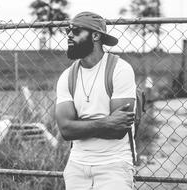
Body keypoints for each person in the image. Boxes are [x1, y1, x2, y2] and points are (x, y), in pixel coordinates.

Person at [55, 12, 137, 190]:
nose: (69, 35)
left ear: (96, 35)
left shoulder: (119, 70)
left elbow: (119, 130)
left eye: (76, 30)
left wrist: (80, 125)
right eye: (68, 30)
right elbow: (66, 130)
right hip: (76, 165)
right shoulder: (67, 77)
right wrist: (107, 121)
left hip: (114, 166)